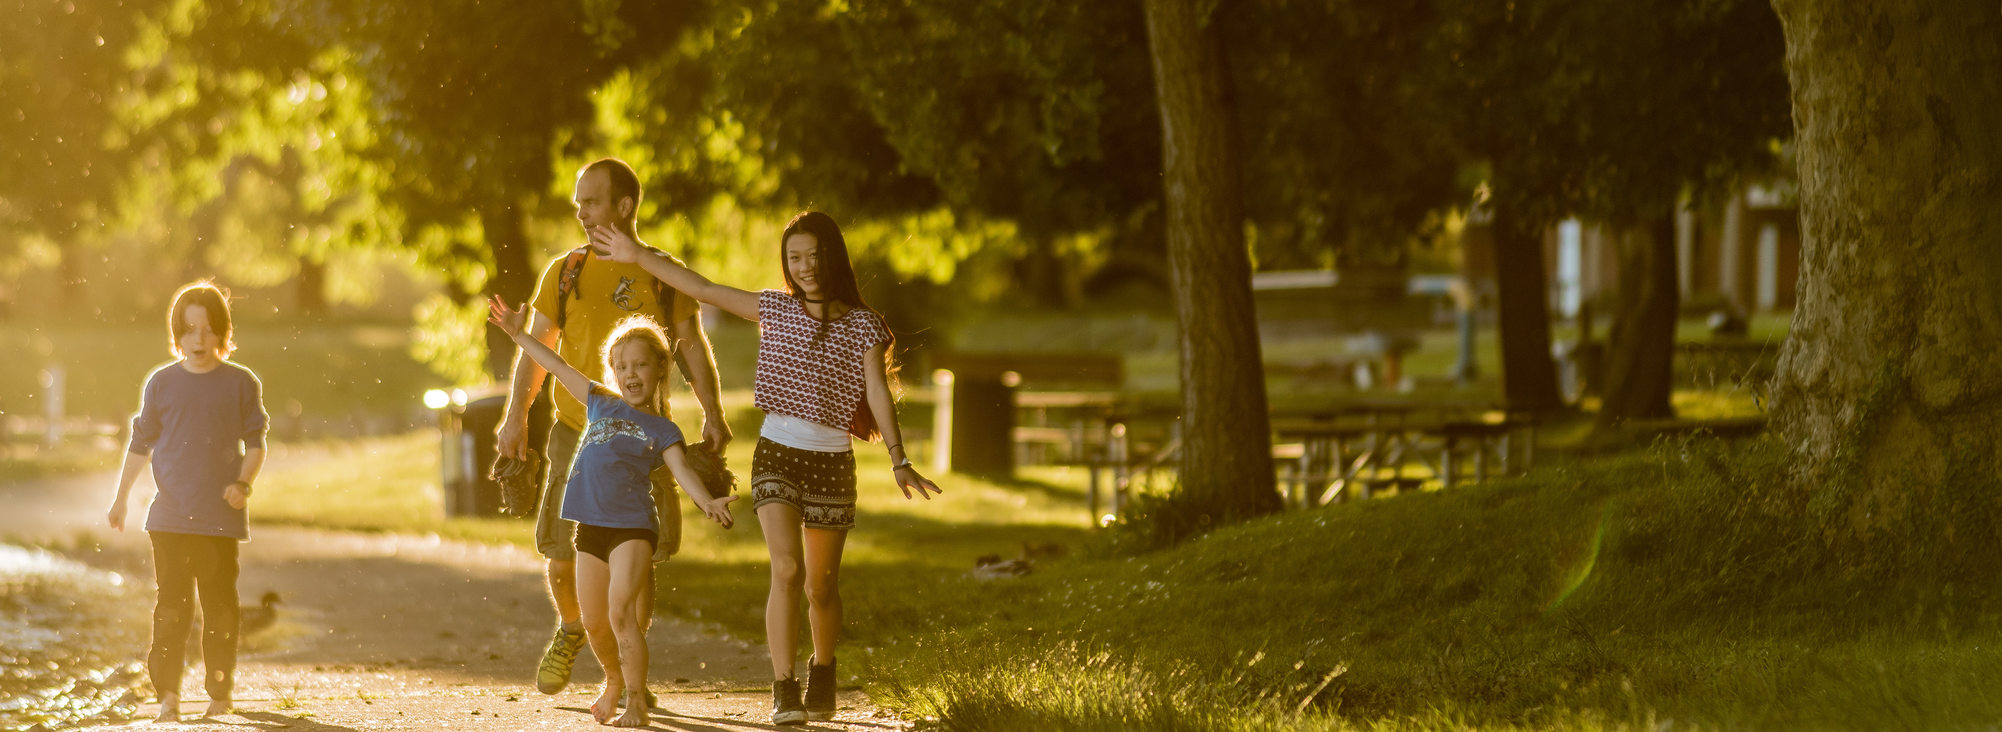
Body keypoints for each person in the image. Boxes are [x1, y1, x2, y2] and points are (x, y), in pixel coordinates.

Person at [591, 210, 942, 725]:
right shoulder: (776, 309)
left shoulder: (863, 325)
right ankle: (785, 687)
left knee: (820, 586)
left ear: (832, 257)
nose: (804, 267)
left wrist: (899, 457)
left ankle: (823, 669)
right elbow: (704, 288)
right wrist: (638, 254)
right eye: (794, 258)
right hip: (777, 453)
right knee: (787, 568)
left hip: (831, 462)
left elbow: (876, 391)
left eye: (813, 256)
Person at [494, 157, 731, 697]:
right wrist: (515, 418)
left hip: (644, 440)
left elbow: (691, 344)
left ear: (624, 207)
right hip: (574, 431)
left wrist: (713, 412)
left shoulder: (659, 270)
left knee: (638, 565)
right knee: (559, 560)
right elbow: (539, 352)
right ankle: (576, 627)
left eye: (592, 201)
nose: (581, 211)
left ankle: (626, 676)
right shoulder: (565, 270)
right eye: (578, 202)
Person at [489, 301, 738, 726]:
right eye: (622, 367)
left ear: (660, 369)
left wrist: (708, 501)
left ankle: (636, 702)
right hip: (590, 529)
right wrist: (519, 335)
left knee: (621, 613)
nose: (630, 375)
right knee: (595, 624)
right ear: (613, 372)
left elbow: (681, 471)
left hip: (633, 528)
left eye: (640, 365)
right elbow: (554, 362)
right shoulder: (600, 402)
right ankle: (614, 681)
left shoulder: (663, 429)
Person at [105, 281, 269, 723]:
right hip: (170, 518)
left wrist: (242, 484)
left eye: (208, 330)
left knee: (219, 607)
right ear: (177, 332)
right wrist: (120, 499)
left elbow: (255, 444)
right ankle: (169, 697)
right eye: (189, 330)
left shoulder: (239, 384)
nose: (198, 340)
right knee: (172, 608)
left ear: (222, 333)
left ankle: (218, 692)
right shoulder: (161, 384)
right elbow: (139, 446)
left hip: (219, 519)